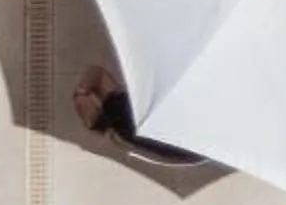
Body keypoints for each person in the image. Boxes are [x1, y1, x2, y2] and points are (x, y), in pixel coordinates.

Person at [70, 64, 204, 166]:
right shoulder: (205, 147)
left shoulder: (126, 112)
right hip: (183, 147)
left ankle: (89, 112)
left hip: (140, 124)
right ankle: (93, 116)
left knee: (97, 77)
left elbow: (97, 74)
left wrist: (80, 93)